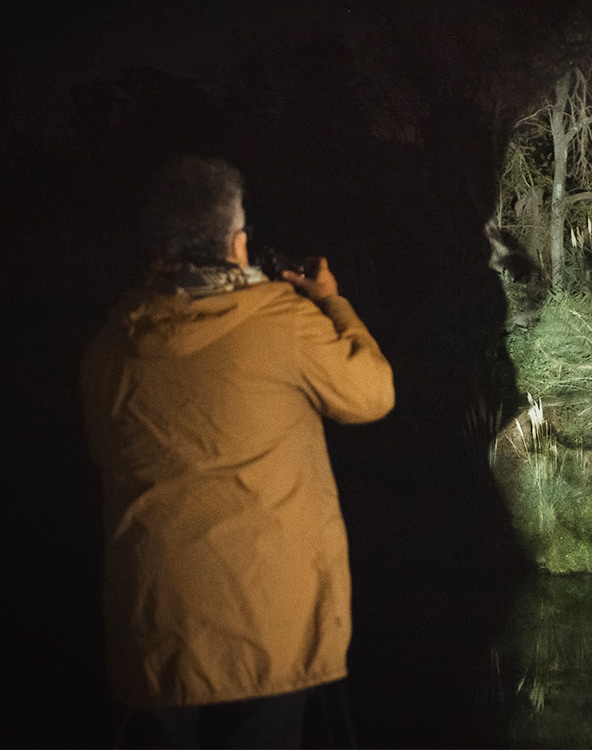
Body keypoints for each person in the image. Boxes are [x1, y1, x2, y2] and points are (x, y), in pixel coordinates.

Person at [81, 156, 394, 748]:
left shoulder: (110, 344)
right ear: (237, 241)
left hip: (154, 627)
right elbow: (373, 394)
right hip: (265, 628)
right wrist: (331, 301)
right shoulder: (284, 323)